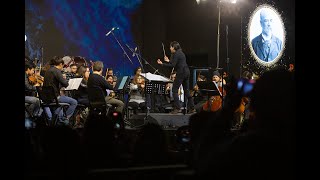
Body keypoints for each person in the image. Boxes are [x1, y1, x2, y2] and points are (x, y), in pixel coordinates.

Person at [157, 41, 195, 114]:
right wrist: (168, 60)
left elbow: (172, 65)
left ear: (173, 47)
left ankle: (177, 108)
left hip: (181, 73)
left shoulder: (176, 54)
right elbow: (175, 63)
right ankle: (192, 108)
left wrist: (162, 64)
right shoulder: (181, 53)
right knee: (187, 91)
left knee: (174, 90)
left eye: (170, 47)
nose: (170, 49)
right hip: (187, 72)